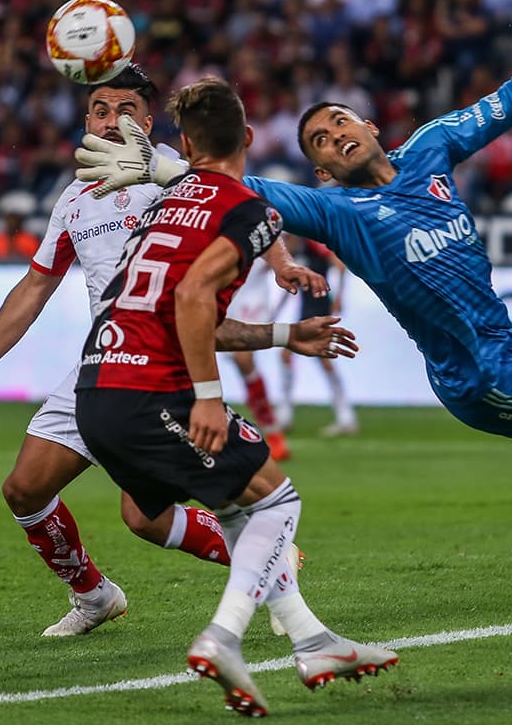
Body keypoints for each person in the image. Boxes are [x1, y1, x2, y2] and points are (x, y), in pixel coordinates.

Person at [76, 0, 512, 659]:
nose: (334, 134)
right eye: (318, 139)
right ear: (320, 170)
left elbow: (511, 103)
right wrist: (165, 168)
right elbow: (242, 186)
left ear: (371, 126)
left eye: (341, 120)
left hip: (510, 353)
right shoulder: (338, 212)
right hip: (483, 374)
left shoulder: (432, 148)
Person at [0, 65, 343, 638]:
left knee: (145, 517)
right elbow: (35, 287)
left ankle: (270, 565)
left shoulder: (171, 172)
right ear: (85, 121)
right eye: (100, 112)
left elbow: (244, 198)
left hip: (163, 367)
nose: (112, 122)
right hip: (99, 366)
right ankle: (94, 596)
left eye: (125, 110)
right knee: (25, 489)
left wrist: (281, 263)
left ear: (148, 119)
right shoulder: (75, 198)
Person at [75, 77, 397, 717]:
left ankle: (313, 640)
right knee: (278, 499)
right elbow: (193, 301)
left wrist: (284, 333)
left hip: (97, 391)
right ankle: (223, 638)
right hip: (149, 392)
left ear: (186, 143)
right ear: (248, 138)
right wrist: (207, 399)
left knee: (236, 507)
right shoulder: (246, 208)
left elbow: (183, 309)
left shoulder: (166, 202)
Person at [275, 236, 359, 437]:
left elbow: (339, 264)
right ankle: (344, 416)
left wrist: (339, 296)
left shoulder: (313, 246)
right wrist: (277, 309)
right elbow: (292, 284)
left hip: (319, 309)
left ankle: (344, 416)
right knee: (302, 358)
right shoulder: (296, 254)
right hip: (306, 311)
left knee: (317, 359)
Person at [223, 262, 293, 461]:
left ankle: (273, 432)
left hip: (252, 294)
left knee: (243, 357)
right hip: (224, 294)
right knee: (240, 365)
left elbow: (287, 240)